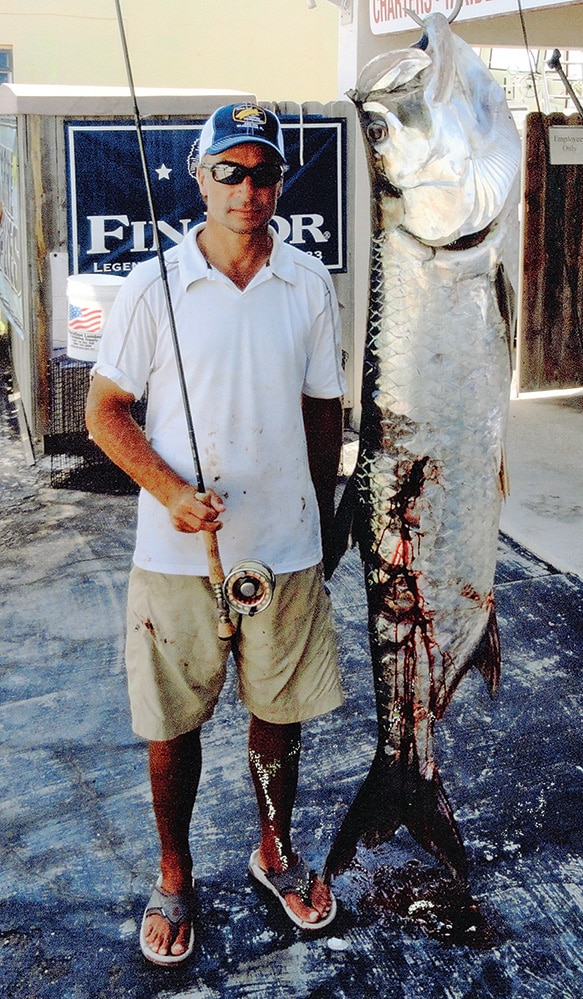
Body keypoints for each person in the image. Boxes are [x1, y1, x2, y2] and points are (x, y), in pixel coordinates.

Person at [85, 103, 346, 965]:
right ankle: (173, 872)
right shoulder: (150, 286)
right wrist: (169, 491)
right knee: (173, 725)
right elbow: (104, 411)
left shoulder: (309, 284)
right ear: (197, 178)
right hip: (175, 555)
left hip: (285, 551)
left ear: (279, 184)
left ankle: (272, 850)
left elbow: (321, 412)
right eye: (227, 172)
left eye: (262, 173)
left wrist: (322, 512)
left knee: (280, 717)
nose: (246, 189)